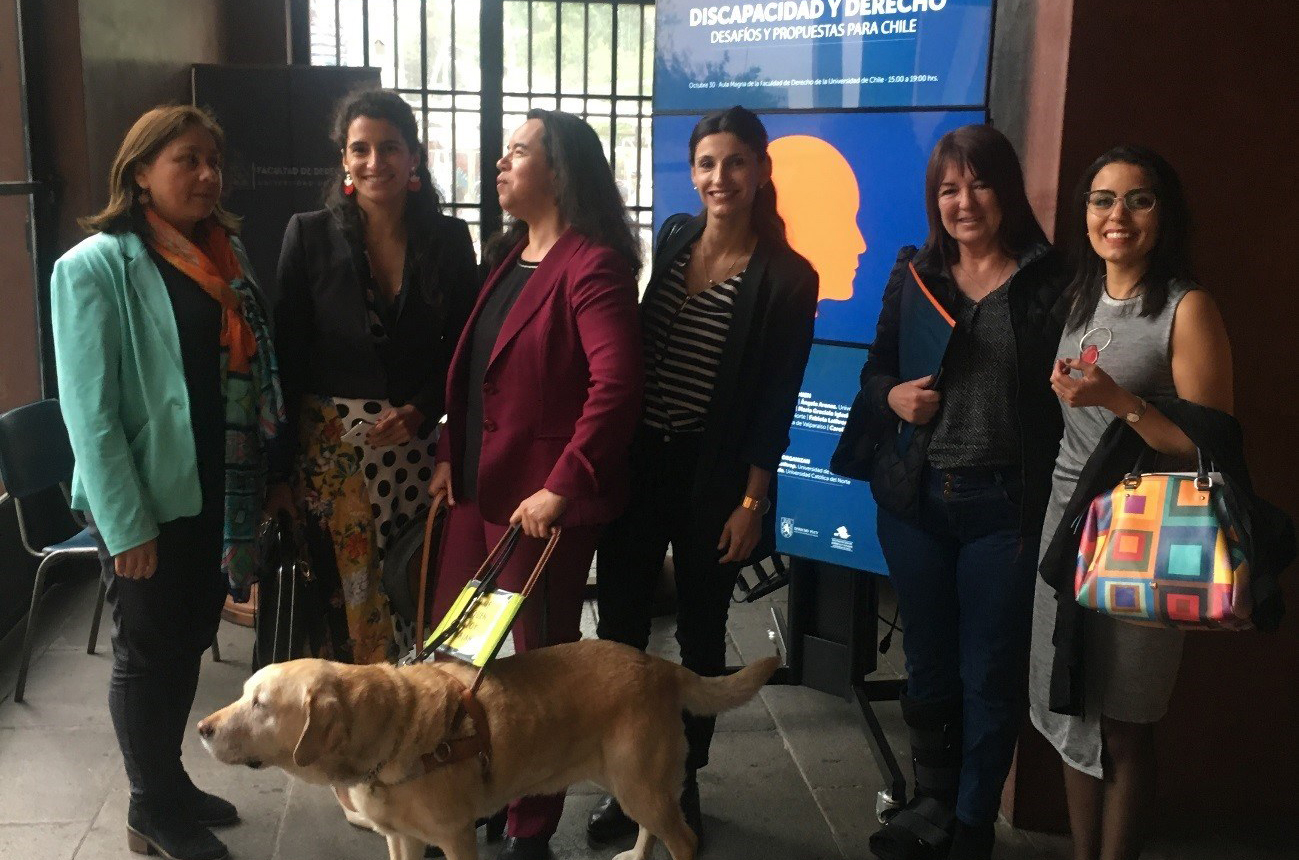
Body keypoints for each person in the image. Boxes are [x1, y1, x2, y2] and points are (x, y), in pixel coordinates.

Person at [51, 105, 284, 860]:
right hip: (149, 502)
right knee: (147, 655)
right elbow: (91, 416)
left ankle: (170, 780)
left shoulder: (228, 255)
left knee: (185, 644)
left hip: (221, 493)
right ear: (140, 172)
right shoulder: (93, 267)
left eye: (214, 160)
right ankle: (151, 807)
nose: (208, 175)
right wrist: (126, 527)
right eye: (187, 159)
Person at [587, 105, 818, 848]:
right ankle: (622, 776)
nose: (721, 177)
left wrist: (752, 500)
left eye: (736, 163)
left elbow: (776, 397)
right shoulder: (676, 236)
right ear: (693, 172)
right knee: (619, 619)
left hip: (711, 473)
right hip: (638, 458)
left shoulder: (786, 276)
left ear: (760, 171)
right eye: (708, 164)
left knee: (697, 629)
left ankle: (678, 783)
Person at [425, 109, 643, 860]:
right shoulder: (510, 254)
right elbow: (481, 379)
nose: (500, 163)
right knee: (469, 656)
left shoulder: (593, 264)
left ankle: (530, 830)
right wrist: (451, 451)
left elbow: (615, 387)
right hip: (479, 496)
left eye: (518, 152)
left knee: (537, 671)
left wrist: (563, 484)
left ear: (560, 172)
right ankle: (486, 787)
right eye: (504, 152)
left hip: (541, 507)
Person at [853, 125, 1066, 860]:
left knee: (989, 673)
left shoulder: (1049, 283)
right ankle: (929, 804)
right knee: (928, 666)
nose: (963, 201)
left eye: (977, 184)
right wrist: (892, 397)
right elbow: (874, 372)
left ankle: (971, 822)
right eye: (948, 188)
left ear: (1005, 190)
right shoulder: (913, 276)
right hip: (915, 500)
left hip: (1001, 507)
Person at [1029, 146, 1233, 860]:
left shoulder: (1185, 307)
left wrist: (1117, 400)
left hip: (1145, 535)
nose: (1117, 215)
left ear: (1163, 212)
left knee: (1124, 722)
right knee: (1071, 707)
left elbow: (1209, 444)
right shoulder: (1082, 296)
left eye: (1137, 199)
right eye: (1101, 199)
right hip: (1067, 526)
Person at [271, 89, 478, 664]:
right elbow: (285, 357)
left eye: (389, 148)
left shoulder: (449, 241)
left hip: (416, 449)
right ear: (343, 159)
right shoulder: (307, 235)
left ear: (413, 158)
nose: (374, 162)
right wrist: (278, 471)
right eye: (359, 149)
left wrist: (419, 408)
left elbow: (465, 351)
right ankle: (352, 726)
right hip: (332, 454)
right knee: (344, 598)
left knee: (416, 586)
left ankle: (416, 714)